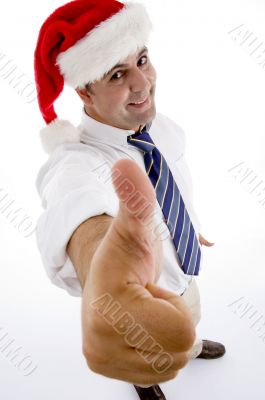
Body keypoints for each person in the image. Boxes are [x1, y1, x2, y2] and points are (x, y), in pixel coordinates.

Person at [34, 1, 226, 399]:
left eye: (142, 60)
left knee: (188, 317)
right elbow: (78, 210)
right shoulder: (78, 162)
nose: (142, 83)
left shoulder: (161, 129)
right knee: (144, 341)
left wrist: (189, 227)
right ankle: (144, 378)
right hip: (144, 294)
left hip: (182, 272)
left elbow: (176, 185)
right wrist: (102, 274)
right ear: (85, 91)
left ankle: (188, 346)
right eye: (118, 74)